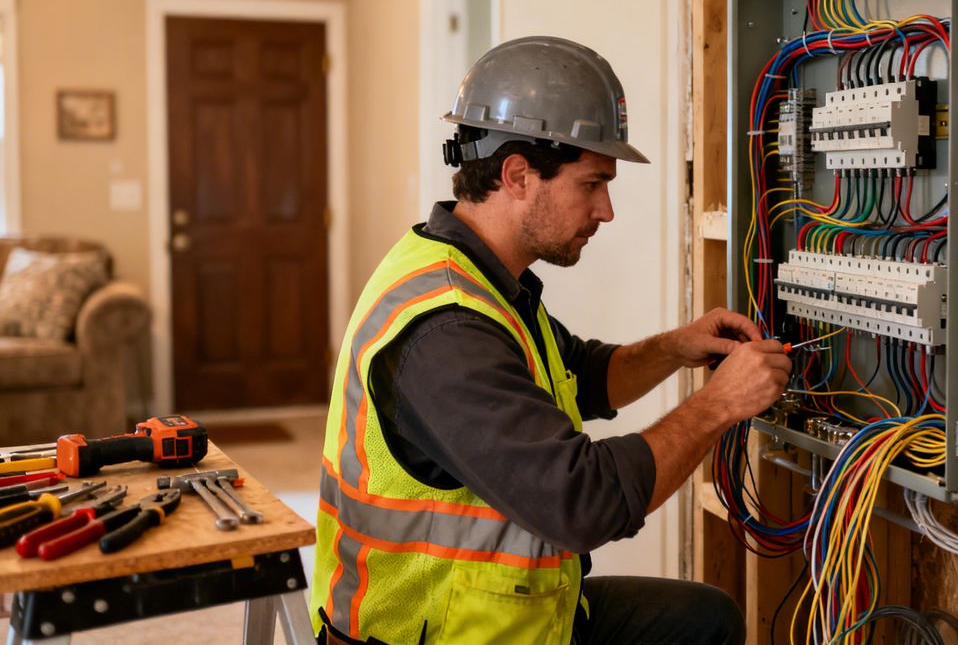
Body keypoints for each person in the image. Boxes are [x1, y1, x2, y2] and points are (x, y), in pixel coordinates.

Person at [312, 36, 792, 645]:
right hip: (429, 636)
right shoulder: (447, 331)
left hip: (506, 615)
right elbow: (583, 504)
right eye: (592, 183)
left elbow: (581, 374)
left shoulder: (481, 279)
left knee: (704, 618)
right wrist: (721, 404)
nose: (607, 210)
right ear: (517, 175)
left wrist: (677, 346)